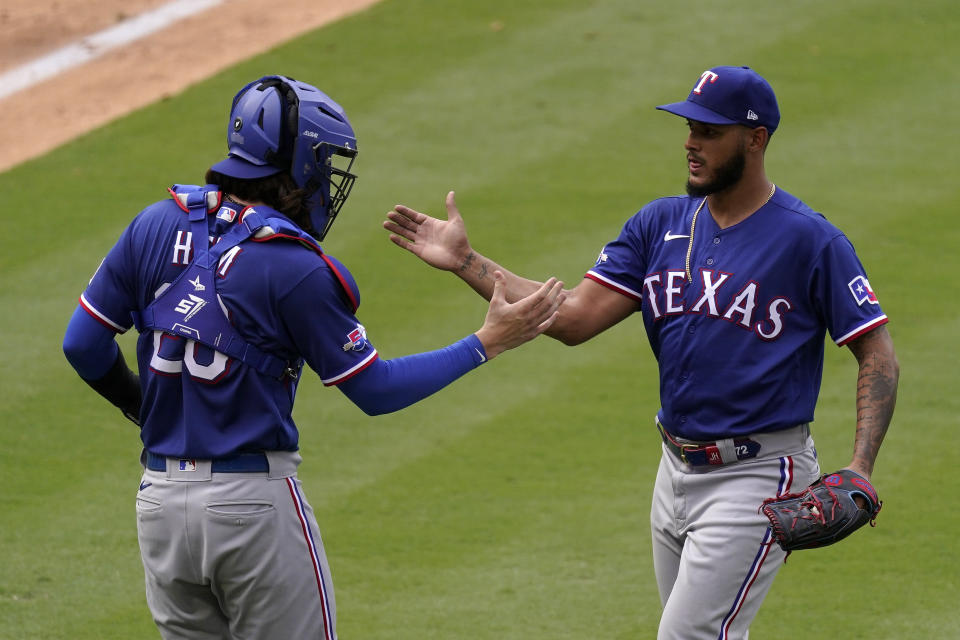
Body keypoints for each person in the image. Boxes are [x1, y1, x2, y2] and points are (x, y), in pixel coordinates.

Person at [383, 65, 899, 639]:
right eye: (688, 127)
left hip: (756, 475)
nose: (690, 142)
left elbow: (876, 352)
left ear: (755, 139)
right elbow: (573, 318)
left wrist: (860, 467)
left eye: (708, 131)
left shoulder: (810, 241)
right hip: (674, 471)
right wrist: (467, 262)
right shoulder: (660, 224)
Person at [62, 74, 564, 640]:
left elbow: (82, 345)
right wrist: (486, 342)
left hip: (158, 506)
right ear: (299, 165)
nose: (329, 179)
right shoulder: (293, 265)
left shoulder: (155, 224)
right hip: (250, 511)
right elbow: (375, 390)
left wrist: (144, 413)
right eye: (325, 162)